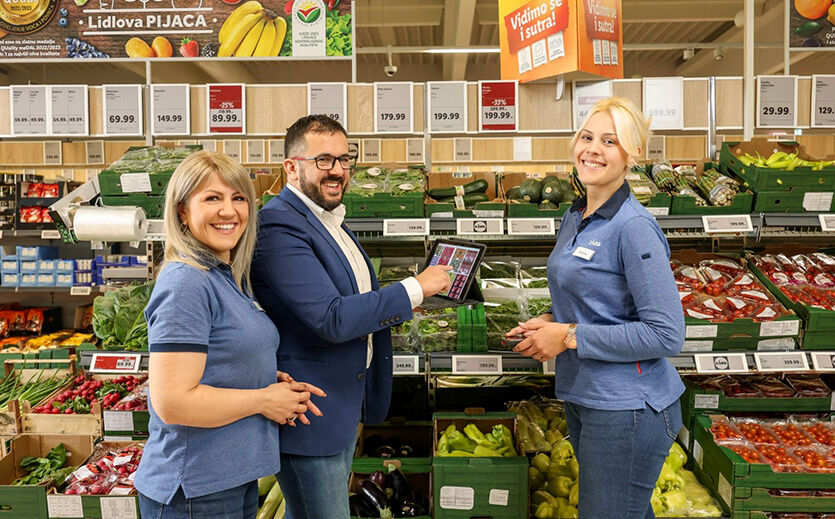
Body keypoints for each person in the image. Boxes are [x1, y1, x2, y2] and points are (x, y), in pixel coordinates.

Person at [251, 115, 451, 519]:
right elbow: (331, 317)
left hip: (341, 406)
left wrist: (394, 306)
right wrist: (416, 286)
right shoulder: (278, 225)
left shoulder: (330, 220)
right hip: (311, 414)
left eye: (345, 159)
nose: (339, 170)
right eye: (324, 160)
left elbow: (351, 300)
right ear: (292, 166)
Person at [506, 97, 685, 519]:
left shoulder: (634, 228)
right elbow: (593, 299)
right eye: (587, 137)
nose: (592, 149)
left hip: (629, 409)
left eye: (610, 141)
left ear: (633, 154)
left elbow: (666, 334)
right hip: (589, 397)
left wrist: (567, 336)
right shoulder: (576, 215)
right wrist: (551, 320)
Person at [135, 150, 325, 519]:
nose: (229, 211)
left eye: (238, 198)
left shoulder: (223, 276)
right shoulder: (187, 283)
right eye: (212, 198)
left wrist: (256, 374)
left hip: (228, 479)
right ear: (182, 212)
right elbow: (173, 402)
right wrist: (261, 400)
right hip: (193, 489)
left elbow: (214, 360)